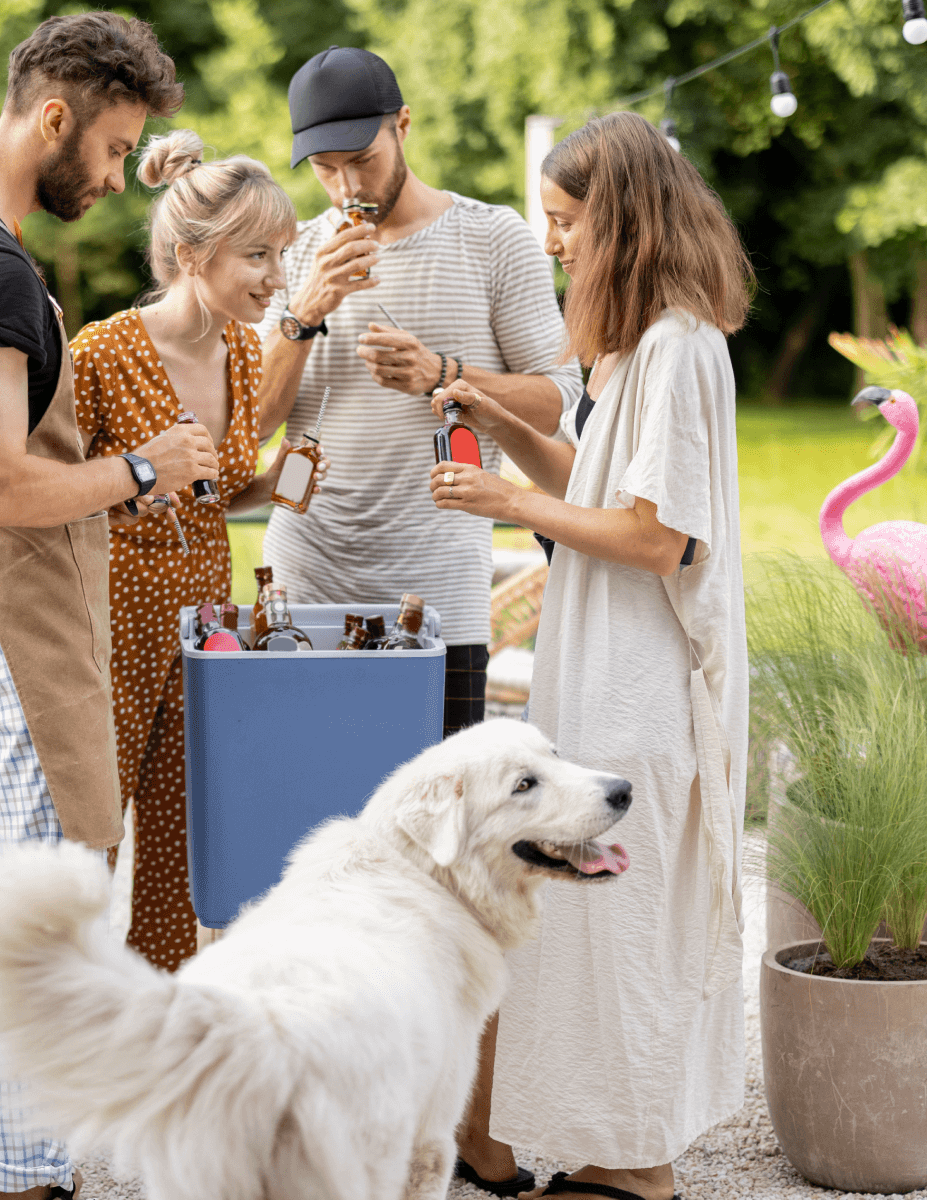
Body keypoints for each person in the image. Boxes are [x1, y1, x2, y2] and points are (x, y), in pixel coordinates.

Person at [0, 14, 208, 1200]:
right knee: (41, 907)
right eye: (114, 149)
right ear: (54, 116)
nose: (117, 178)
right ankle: (23, 1177)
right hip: (7, 619)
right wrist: (145, 468)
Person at [429, 111, 752, 1200]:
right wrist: (491, 411)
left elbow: (661, 535)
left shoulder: (679, 347)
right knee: (596, 930)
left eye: (566, 222)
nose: (554, 242)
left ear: (619, 220)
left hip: (642, 688)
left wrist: (506, 498)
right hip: (604, 678)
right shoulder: (639, 348)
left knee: (625, 932)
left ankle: (636, 1170)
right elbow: (598, 491)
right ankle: (609, 1153)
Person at [253, 46, 582, 737]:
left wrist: (443, 373)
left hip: (437, 593)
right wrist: (305, 310)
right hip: (304, 583)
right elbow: (252, 427)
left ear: (402, 124)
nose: (345, 187)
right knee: (309, 808)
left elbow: (558, 397)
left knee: (439, 822)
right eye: (324, 169)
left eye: (362, 161)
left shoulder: (493, 238)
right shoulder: (293, 256)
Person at [72, 130, 322, 973]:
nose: (276, 278)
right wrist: (140, 474)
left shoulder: (245, 356)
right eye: (258, 254)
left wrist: (275, 481)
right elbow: (57, 497)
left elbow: (214, 493)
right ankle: (66, 1028)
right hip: (109, 632)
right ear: (190, 255)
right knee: (88, 840)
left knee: (183, 842)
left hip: (205, 628)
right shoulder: (102, 353)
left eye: (281, 255)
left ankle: (161, 1023)